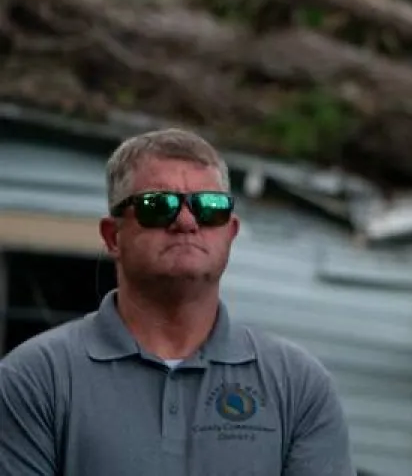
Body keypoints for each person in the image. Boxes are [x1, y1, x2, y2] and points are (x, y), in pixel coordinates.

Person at [0, 128, 355, 476]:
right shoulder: (33, 380)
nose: (186, 221)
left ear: (230, 234)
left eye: (209, 207)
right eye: (158, 205)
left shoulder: (299, 385)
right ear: (113, 237)